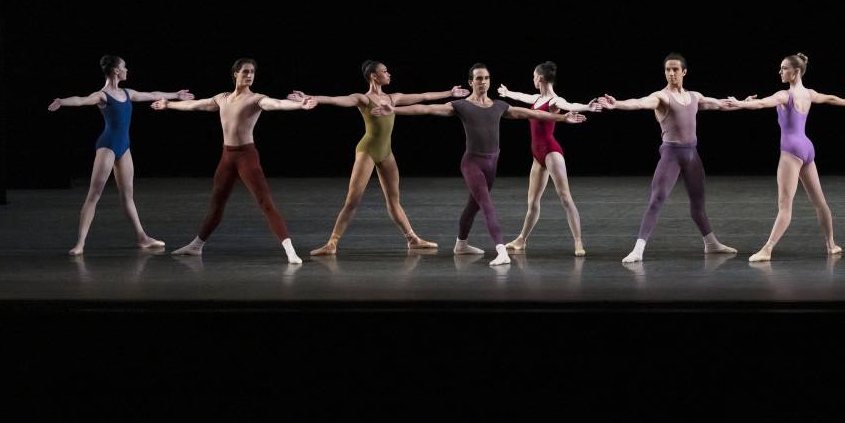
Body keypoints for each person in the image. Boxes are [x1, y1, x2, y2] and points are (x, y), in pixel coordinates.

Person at [387, 64, 585, 266]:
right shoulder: (461, 105)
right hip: (472, 163)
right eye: (479, 78)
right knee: (486, 204)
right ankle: (501, 250)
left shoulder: (499, 106)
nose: (483, 82)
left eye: (486, 78)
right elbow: (426, 108)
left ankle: (461, 245)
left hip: (491, 164)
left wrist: (562, 117)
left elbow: (532, 113)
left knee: (473, 206)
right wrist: (394, 109)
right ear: (471, 82)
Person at [287, 61, 468, 256]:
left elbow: (424, 96)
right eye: (384, 71)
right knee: (352, 201)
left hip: (386, 152)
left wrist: (450, 93)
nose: (388, 74)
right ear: (373, 76)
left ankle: (413, 240)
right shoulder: (363, 99)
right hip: (368, 151)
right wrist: (310, 97)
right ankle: (332, 243)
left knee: (394, 200)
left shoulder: (393, 98)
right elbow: (335, 100)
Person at [152, 58, 315, 264]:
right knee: (216, 203)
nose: (249, 75)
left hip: (247, 157)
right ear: (235, 74)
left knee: (265, 203)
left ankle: (290, 251)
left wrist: (300, 105)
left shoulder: (256, 99)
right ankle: (196, 246)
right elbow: (195, 105)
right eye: (245, 71)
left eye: (252, 72)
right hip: (227, 157)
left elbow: (276, 104)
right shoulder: (222, 98)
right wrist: (168, 104)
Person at [594, 53, 741, 263]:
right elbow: (640, 102)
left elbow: (720, 104)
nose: (671, 73)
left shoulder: (694, 97)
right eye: (667, 70)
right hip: (671, 156)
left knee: (698, 204)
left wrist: (743, 103)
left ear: (684, 72)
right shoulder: (661, 97)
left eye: (675, 69)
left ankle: (711, 244)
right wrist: (617, 104)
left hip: (692, 156)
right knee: (656, 200)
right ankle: (638, 250)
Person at [48, 55, 192, 255]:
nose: (127, 70)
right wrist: (62, 101)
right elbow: (81, 100)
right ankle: (80, 243)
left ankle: (142, 237)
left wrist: (176, 94)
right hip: (107, 146)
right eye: (124, 67)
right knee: (94, 195)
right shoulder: (102, 95)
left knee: (127, 195)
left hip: (124, 148)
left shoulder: (127, 93)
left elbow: (152, 94)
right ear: (116, 70)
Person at [725, 53, 845, 261]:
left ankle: (767, 249)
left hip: (791, 151)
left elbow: (763, 103)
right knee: (820, 202)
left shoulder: (785, 95)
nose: (780, 72)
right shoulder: (809, 93)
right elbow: (829, 98)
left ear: (796, 72)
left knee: (785, 206)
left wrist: (740, 103)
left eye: (784, 68)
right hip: (807, 147)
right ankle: (831, 244)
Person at [497, 61, 591, 256]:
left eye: (533, 76)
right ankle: (521, 240)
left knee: (565, 198)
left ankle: (578, 242)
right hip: (537, 155)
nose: (532, 79)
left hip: (551, 152)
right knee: (532, 203)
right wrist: (507, 93)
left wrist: (586, 107)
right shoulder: (537, 98)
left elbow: (569, 105)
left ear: (539, 78)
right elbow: (521, 96)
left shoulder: (555, 101)